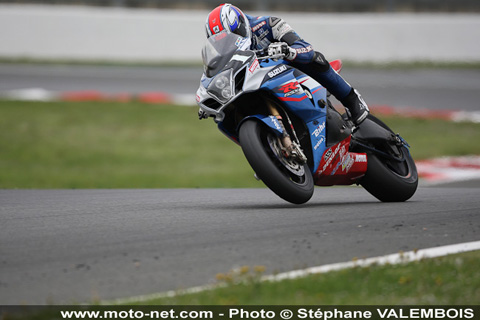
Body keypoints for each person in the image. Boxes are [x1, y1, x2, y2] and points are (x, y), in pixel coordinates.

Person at [204, 3, 370, 125]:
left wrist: (289, 51)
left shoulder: (269, 24)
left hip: (288, 72)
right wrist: (209, 97)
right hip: (256, 83)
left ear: (241, 24)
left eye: (233, 35)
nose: (231, 41)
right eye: (222, 41)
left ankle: (351, 99)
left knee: (314, 58)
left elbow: (305, 47)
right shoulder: (224, 51)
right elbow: (219, 74)